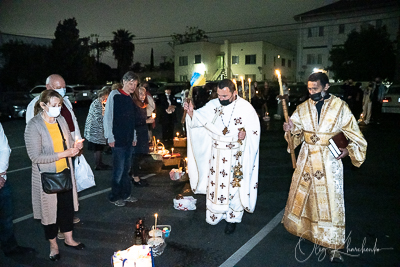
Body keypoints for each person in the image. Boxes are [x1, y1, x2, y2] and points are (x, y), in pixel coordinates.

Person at [282, 72, 367, 262]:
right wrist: (290, 129)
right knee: (307, 197)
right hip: (306, 158)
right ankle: (307, 231)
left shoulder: (340, 107)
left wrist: (349, 151)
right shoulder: (303, 107)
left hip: (329, 159)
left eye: (315, 89)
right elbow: (294, 128)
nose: (311, 92)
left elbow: (355, 134)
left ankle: (332, 243)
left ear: (326, 87)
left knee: (329, 201)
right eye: (309, 89)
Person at [184, 79, 260, 234]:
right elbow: (198, 119)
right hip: (217, 154)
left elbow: (254, 132)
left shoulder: (246, 109)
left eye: (225, 96)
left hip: (236, 154)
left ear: (234, 93)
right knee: (217, 186)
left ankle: (232, 219)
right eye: (219, 95)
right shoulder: (213, 105)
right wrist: (191, 112)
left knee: (234, 187)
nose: (222, 99)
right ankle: (215, 215)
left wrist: (244, 135)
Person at [24, 90, 85, 261]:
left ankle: (69, 239)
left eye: (59, 105)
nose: (57, 109)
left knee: (66, 210)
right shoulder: (34, 126)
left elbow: (66, 143)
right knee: (49, 213)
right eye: (53, 106)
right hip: (47, 177)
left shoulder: (61, 120)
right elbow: (35, 157)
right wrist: (65, 153)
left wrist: (75, 147)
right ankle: (53, 245)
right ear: (43, 105)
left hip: (64, 173)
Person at [0, 123, 36, 259]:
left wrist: (0, 175)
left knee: (6, 218)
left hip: (1, 180)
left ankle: (10, 247)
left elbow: (4, 148)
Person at [103, 71, 139, 207]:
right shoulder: (115, 95)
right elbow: (108, 117)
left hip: (129, 139)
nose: (133, 86)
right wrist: (109, 136)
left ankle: (126, 194)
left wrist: (134, 136)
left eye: (135, 84)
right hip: (117, 139)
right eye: (131, 83)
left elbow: (132, 120)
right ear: (124, 81)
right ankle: (114, 196)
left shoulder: (130, 98)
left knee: (126, 169)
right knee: (118, 170)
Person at [131, 85, 154, 187]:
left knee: (140, 154)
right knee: (136, 155)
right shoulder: (134, 104)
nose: (143, 96)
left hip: (142, 132)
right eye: (140, 93)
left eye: (144, 94)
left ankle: (134, 174)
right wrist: (146, 121)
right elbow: (133, 121)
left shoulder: (142, 104)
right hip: (136, 134)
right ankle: (135, 178)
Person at [84, 86, 112, 170]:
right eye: (106, 97)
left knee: (99, 148)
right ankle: (98, 165)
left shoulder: (101, 103)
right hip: (94, 130)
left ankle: (99, 163)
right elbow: (99, 118)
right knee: (97, 148)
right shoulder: (97, 104)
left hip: (97, 130)